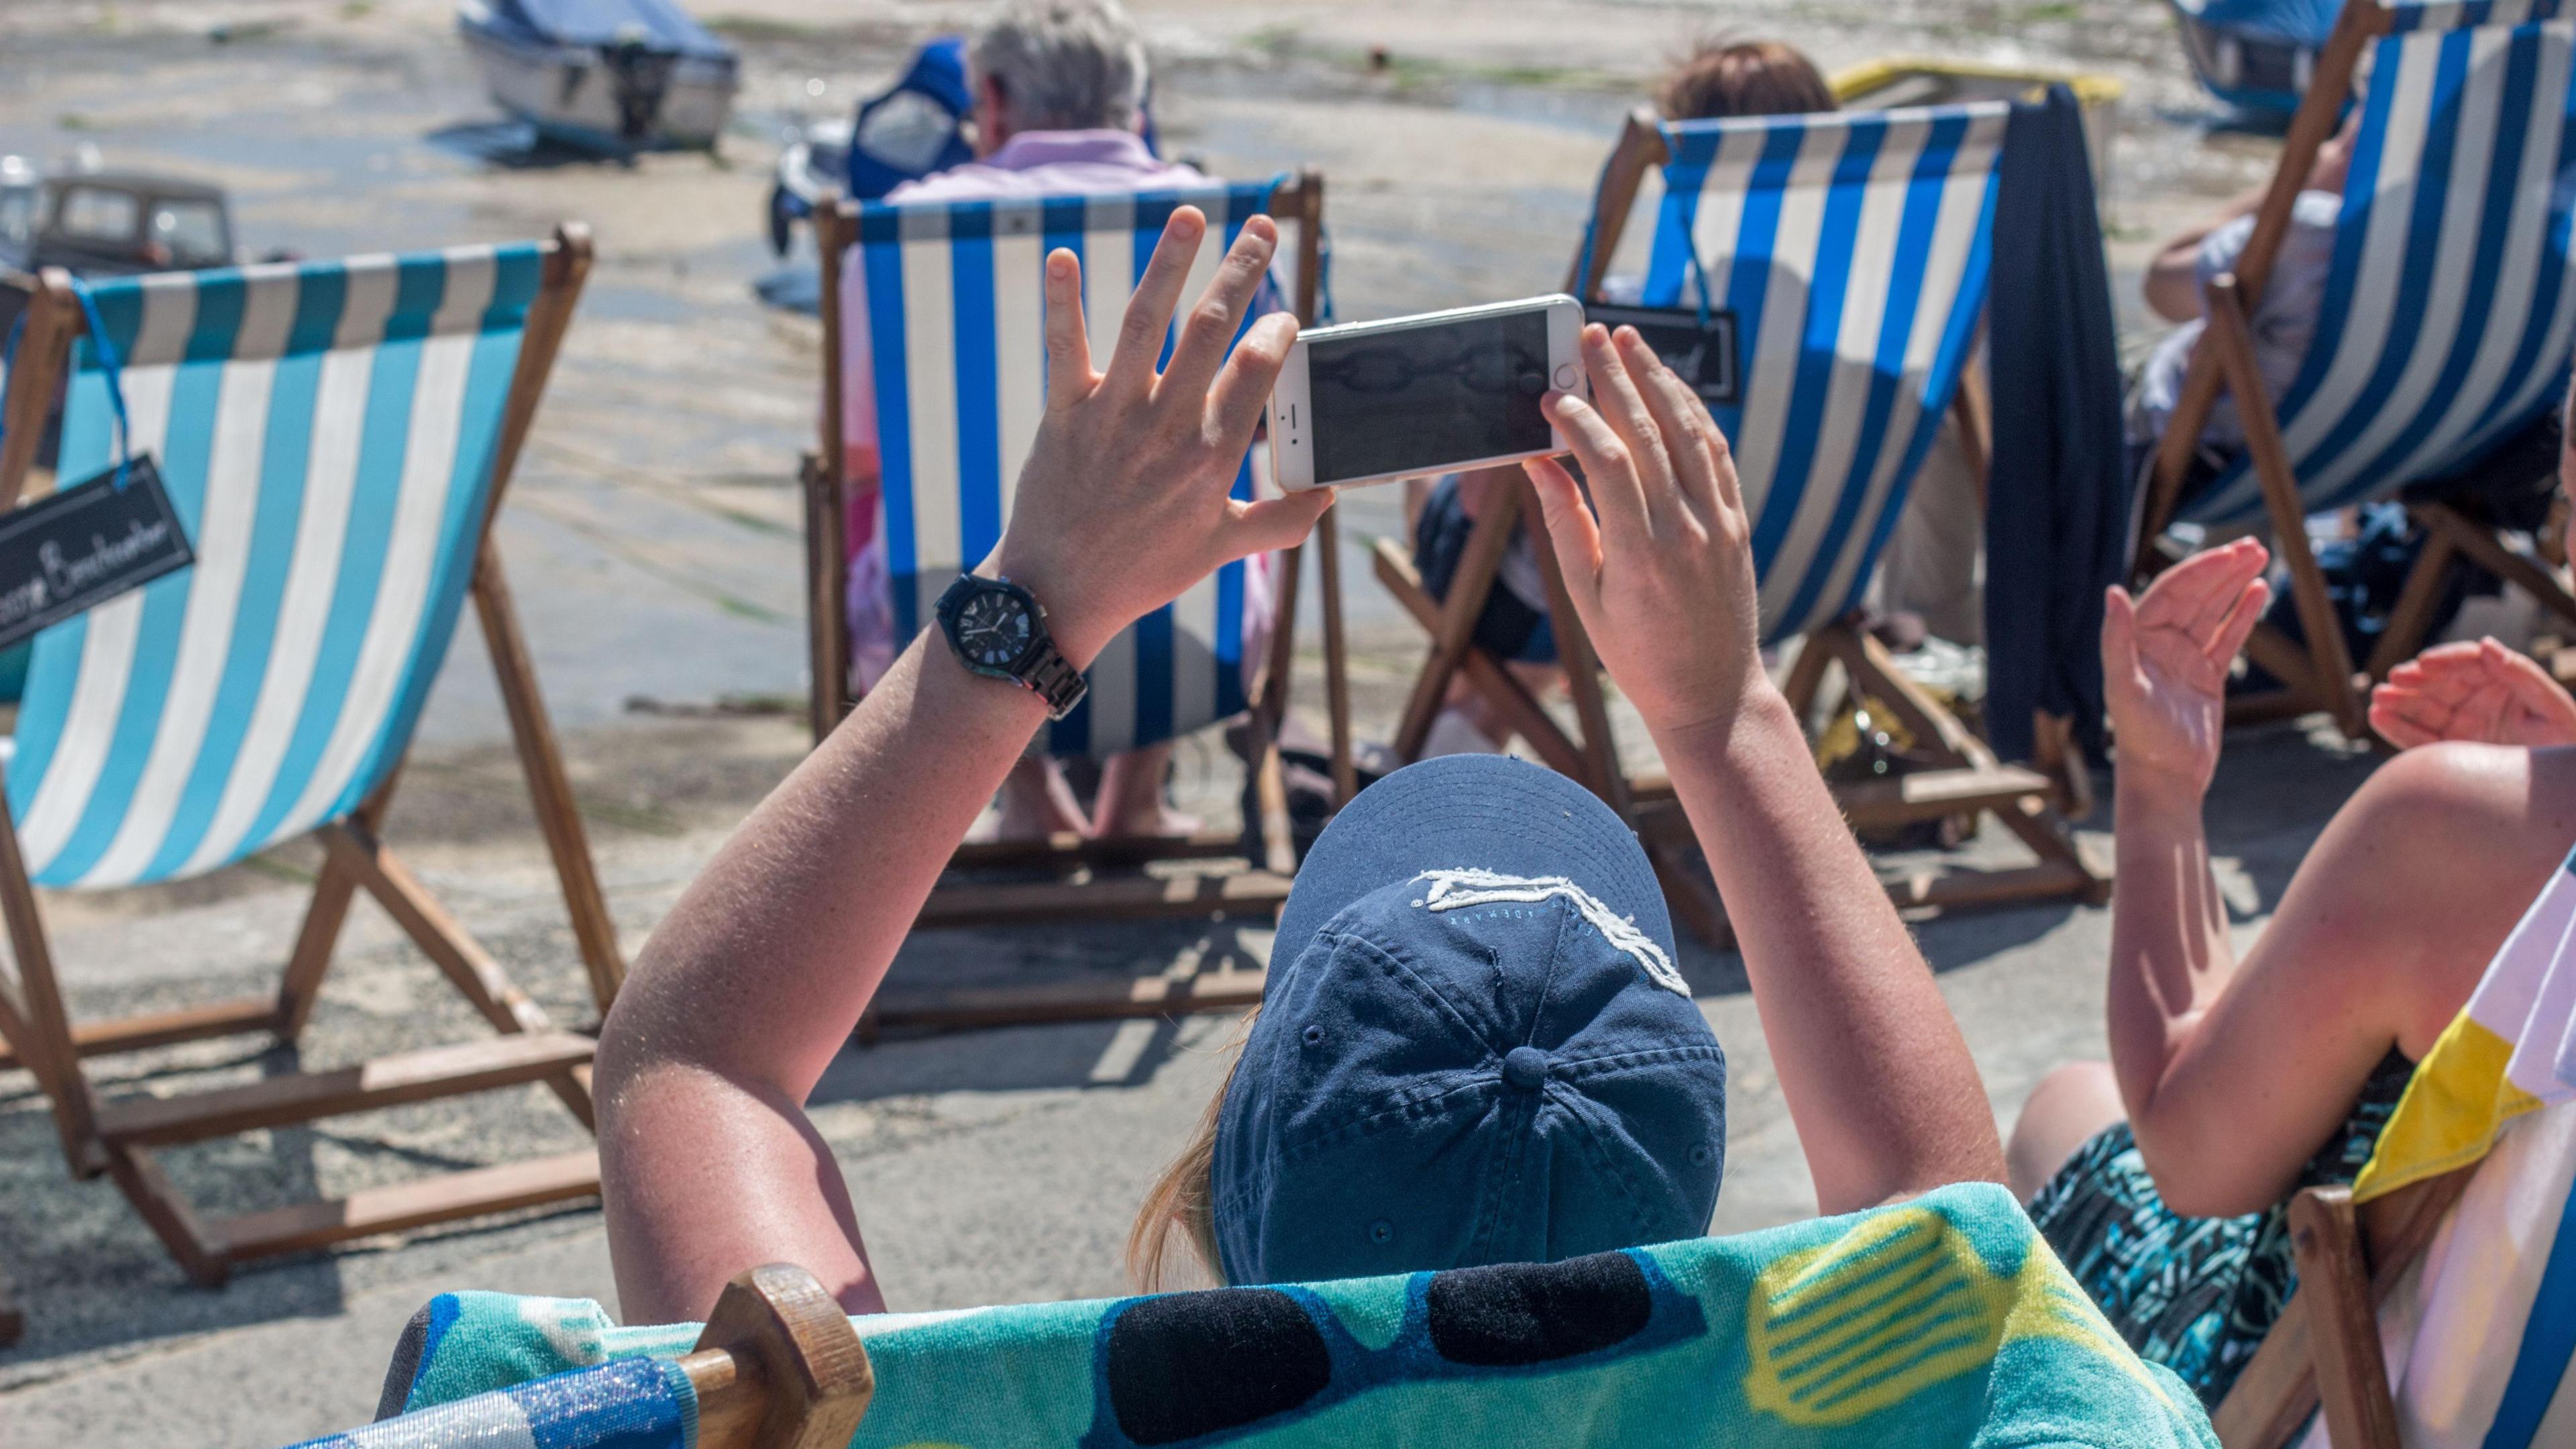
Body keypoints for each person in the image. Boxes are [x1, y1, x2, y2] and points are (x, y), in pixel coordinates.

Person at [595, 203, 2007, 1322]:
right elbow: (1943, 1208)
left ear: (1230, 1177)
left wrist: (1041, 596)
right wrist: (1726, 715)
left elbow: (691, 1065)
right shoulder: (1909, 1394)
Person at [2005, 376, 2576, 1407]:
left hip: (2364, 1397)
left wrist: (2160, 790)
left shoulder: (2447, 837)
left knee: (2068, 1108)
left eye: (2568, 514)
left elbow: (2193, 1156)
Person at [837, 0, 1273, 841]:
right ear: (1132, 103)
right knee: (1217, 476)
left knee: (899, 490)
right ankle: (1135, 797)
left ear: (993, 100)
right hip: (1191, 650)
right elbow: (1269, 428)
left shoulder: (899, 233)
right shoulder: (1232, 224)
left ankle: (1031, 803)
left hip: (945, 638)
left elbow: (860, 457)